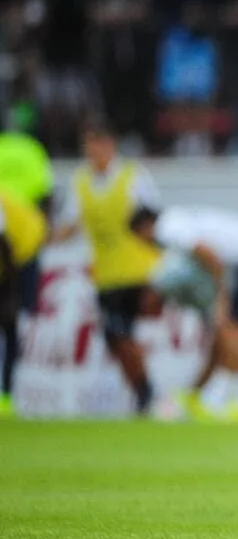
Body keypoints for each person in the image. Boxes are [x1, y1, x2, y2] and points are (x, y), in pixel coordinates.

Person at [130, 205, 238, 422]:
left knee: (231, 330)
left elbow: (210, 255)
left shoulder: (167, 228)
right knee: (227, 333)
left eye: (139, 237)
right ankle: (199, 395)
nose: (144, 243)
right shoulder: (183, 221)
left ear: (145, 226)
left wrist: (221, 297)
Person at [50, 120, 161, 414]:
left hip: (138, 270)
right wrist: (45, 241)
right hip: (106, 274)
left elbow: (154, 221)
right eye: (88, 144)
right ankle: (143, 393)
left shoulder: (133, 176)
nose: (92, 150)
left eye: (97, 143)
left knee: (119, 332)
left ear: (111, 145)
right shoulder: (81, 181)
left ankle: (147, 391)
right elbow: (70, 224)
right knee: (115, 338)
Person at [0, 130, 54, 416]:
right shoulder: (32, 149)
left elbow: (5, 241)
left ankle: (9, 394)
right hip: (25, 245)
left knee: (13, 324)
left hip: (19, 253)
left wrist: (11, 280)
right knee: (16, 325)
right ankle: (10, 393)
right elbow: (47, 193)